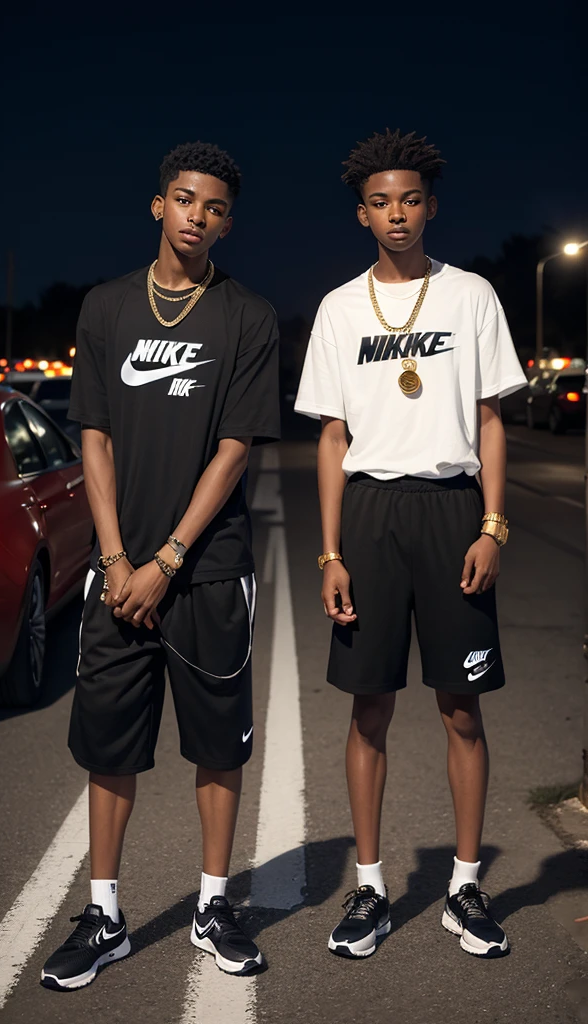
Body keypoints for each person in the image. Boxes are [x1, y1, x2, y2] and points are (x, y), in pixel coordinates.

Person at [40, 141, 280, 990]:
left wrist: (168, 558)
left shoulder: (247, 316)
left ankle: (215, 906)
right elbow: (93, 436)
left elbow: (235, 448)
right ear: (158, 205)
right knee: (110, 747)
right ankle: (103, 914)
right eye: (185, 200)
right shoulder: (105, 308)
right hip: (120, 573)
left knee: (218, 748)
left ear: (226, 222)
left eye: (215, 207)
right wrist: (115, 558)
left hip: (207, 570)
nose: (198, 217)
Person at [295, 129, 526, 961]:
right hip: (370, 513)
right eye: (382, 202)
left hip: (452, 509)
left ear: (432, 206)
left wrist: (493, 525)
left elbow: (492, 419)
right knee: (370, 707)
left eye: (412, 199)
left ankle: (466, 885)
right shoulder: (339, 307)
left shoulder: (471, 296)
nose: (398, 213)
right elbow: (331, 438)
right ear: (363, 214)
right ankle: (370, 886)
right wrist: (329, 553)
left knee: (461, 707)